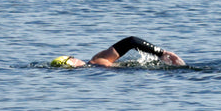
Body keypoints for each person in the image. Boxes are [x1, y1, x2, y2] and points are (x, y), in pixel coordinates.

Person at [50, 36, 185, 68]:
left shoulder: (95, 63)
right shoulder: (96, 61)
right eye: (71, 58)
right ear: (72, 64)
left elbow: (131, 41)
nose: (75, 57)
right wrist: (162, 53)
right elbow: (131, 41)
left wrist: (161, 53)